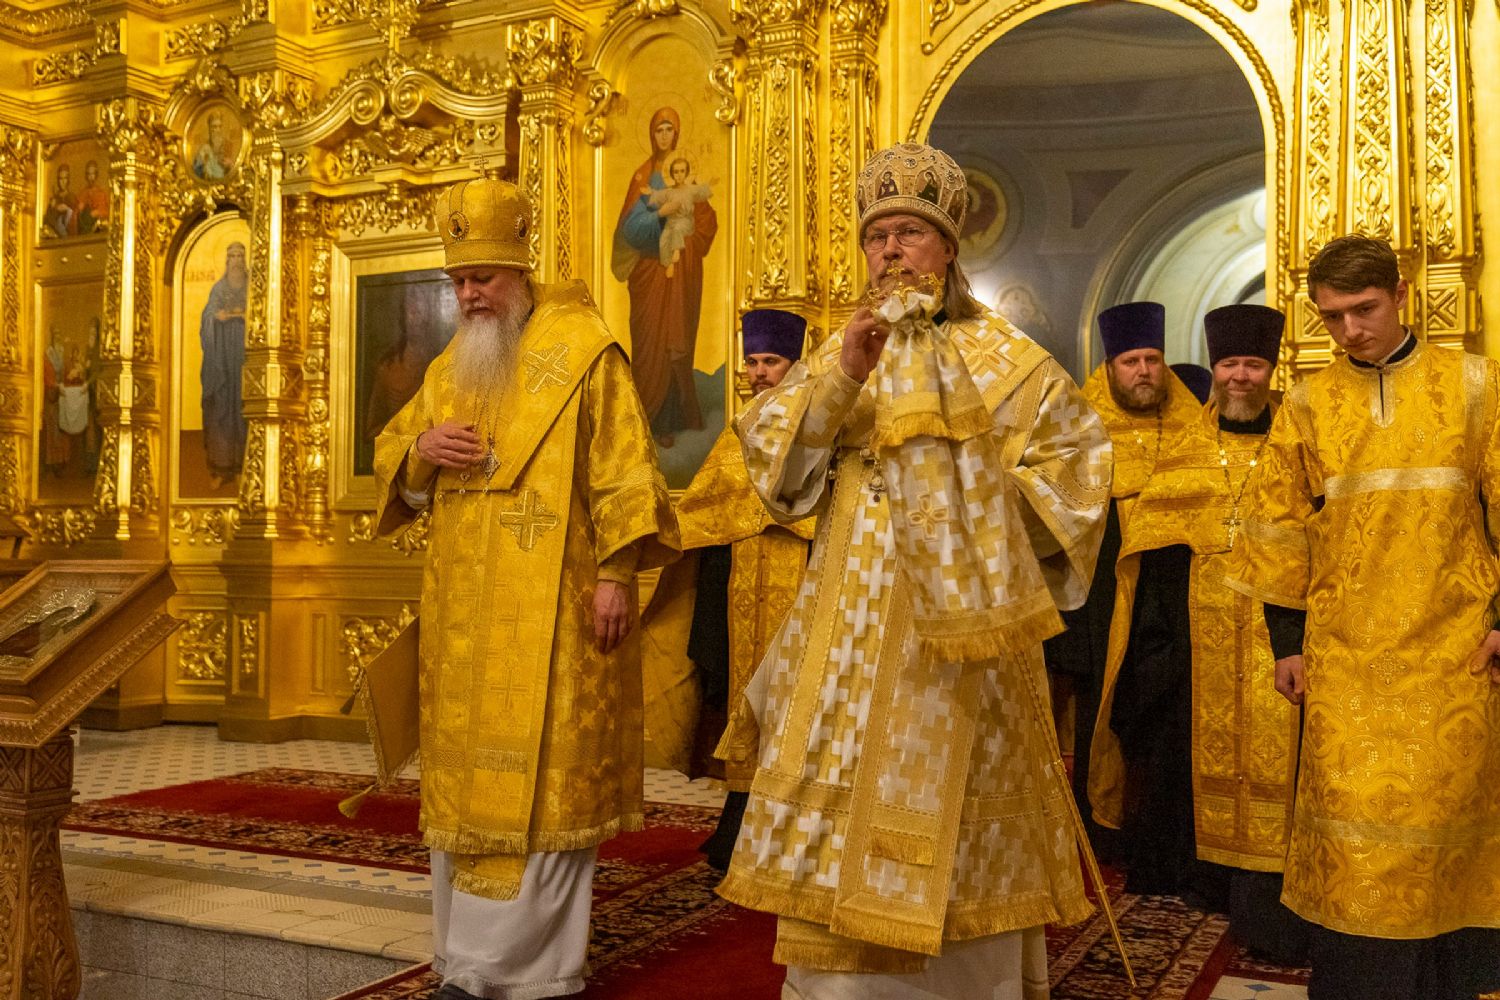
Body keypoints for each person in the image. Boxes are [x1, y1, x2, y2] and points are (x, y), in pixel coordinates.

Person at [716, 141, 1113, 998]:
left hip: (959, 651)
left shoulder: (1016, 365)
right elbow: (775, 476)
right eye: (877, 236)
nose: (891, 251)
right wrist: (841, 378)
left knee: (955, 833)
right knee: (835, 825)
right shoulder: (843, 352)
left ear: (949, 247)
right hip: (846, 642)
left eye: (910, 234)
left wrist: (973, 496)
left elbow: (1079, 482)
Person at [373, 178, 680, 1000]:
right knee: (464, 787)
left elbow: (626, 471)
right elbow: (395, 457)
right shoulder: (450, 367)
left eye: (483, 278)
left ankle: (517, 972)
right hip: (462, 617)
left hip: (553, 610)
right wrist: (420, 454)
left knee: (542, 788)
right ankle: (462, 962)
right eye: (458, 281)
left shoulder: (584, 349)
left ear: (518, 269)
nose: (469, 295)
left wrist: (616, 574)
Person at [1226, 234, 1500, 1000]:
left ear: (1401, 295)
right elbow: (1278, 528)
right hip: (1343, 660)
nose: (1350, 330)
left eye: (1365, 309)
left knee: (1441, 841)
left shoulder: (1477, 385)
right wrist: (1287, 644)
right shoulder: (1308, 404)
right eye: (1332, 317)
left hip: (1453, 656)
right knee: (1356, 854)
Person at [1088, 304, 1308, 960]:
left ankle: (1276, 881)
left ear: (1270, 370)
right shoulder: (1187, 448)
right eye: (1230, 364)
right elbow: (1154, 552)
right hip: (1198, 642)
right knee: (1188, 751)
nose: (1240, 377)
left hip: (1280, 638)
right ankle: (1202, 875)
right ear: (1215, 370)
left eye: (1253, 365)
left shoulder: (1296, 443)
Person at [640, 308, 815, 872]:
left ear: (795, 365)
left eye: (771, 362)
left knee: (796, 700)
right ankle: (740, 822)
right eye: (753, 362)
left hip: (801, 579)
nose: (759, 372)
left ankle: (791, 831)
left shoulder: (818, 423)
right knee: (743, 699)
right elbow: (710, 499)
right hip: (741, 580)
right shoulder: (743, 424)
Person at [1045, 302, 1200, 846]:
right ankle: (1102, 832)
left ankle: (1164, 837)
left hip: (1173, 597)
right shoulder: (1081, 431)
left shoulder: (1194, 427)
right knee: (1102, 711)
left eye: (1152, 359)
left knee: (1169, 713)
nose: (1144, 371)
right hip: (1104, 602)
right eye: (1131, 361)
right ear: (1110, 368)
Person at [612, 107, 718, 448]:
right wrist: (660, 215)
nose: (664, 136)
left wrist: (688, 236)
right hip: (649, 277)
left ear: (678, 133)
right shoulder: (643, 177)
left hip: (681, 274)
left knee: (678, 340)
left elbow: (706, 219)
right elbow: (629, 230)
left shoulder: (687, 182)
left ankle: (674, 419)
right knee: (649, 346)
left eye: (669, 129)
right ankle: (646, 420)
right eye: (658, 130)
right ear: (650, 134)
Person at [198, 242, 248, 489]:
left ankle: (242, 466)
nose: (236, 260)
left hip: (245, 355)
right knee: (221, 409)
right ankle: (220, 468)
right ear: (227, 261)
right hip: (221, 359)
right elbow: (207, 316)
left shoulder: (252, 286)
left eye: (240, 255)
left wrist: (246, 315)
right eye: (232, 256)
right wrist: (215, 318)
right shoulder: (219, 288)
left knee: (242, 408)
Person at [646, 157, 714, 278]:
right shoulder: (669, 191)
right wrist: (650, 192)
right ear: (672, 174)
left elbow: (701, 190)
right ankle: (667, 264)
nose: (679, 175)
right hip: (670, 222)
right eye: (676, 172)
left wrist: (710, 185)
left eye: (682, 171)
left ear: (686, 173)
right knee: (663, 239)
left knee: (677, 229)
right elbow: (658, 196)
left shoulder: (690, 189)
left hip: (685, 221)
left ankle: (676, 253)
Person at [192, 110, 234, 180]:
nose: (217, 130)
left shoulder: (228, 144)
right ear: (209, 128)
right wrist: (201, 159)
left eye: (219, 126)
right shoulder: (205, 146)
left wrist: (230, 164)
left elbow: (235, 166)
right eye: (214, 127)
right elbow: (196, 170)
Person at [76, 159, 108, 234]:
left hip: (97, 227)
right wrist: (79, 210)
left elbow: (106, 211)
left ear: (96, 175)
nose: (91, 177)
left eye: (93, 174)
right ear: (86, 176)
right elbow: (76, 214)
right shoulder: (82, 193)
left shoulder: (101, 193)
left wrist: (97, 212)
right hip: (84, 228)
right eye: (89, 174)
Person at [44, 164, 76, 237]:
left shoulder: (72, 197)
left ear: (68, 180)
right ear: (58, 181)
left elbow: (76, 216)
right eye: (61, 179)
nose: (63, 182)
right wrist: (54, 208)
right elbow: (48, 219)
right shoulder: (55, 198)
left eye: (65, 178)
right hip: (56, 233)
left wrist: (67, 209)